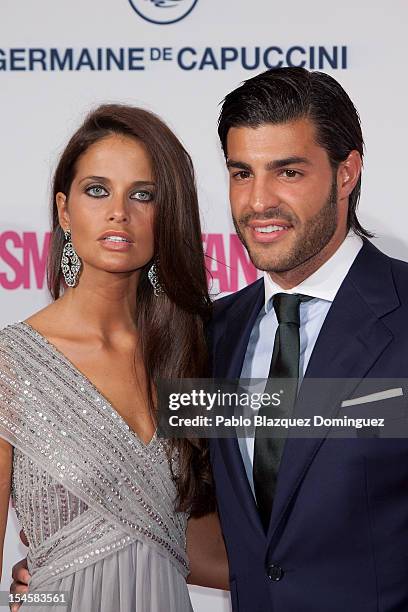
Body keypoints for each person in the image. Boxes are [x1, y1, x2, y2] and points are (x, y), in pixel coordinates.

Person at [0, 104, 228, 611]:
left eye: (143, 195)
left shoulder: (192, 352)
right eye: (97, 190)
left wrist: (356, 568)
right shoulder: (9, 364)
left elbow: (197, 544)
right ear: (64, 210)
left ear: (165, 215)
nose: (118, 211)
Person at [208, 67, 408, 611]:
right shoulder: (211, 334)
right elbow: (226, 530)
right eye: (242, 173)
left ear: (346, 174)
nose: (258, 201)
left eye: (288, 172)